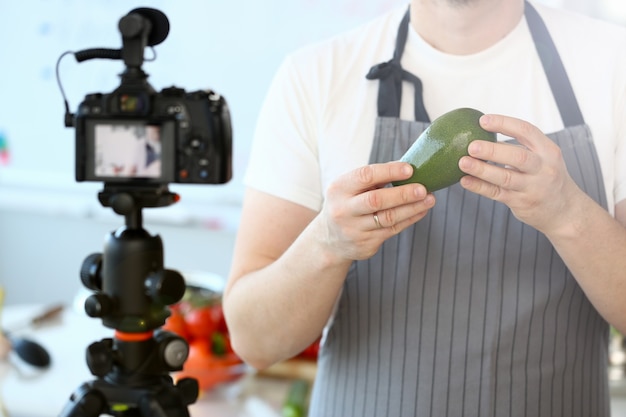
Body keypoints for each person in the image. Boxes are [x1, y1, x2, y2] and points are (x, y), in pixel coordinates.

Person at [223, 0, 626, 415]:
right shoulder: (315, 76)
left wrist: (568, 215)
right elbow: (255, 342)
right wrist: (327, 244)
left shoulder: (614, 61)